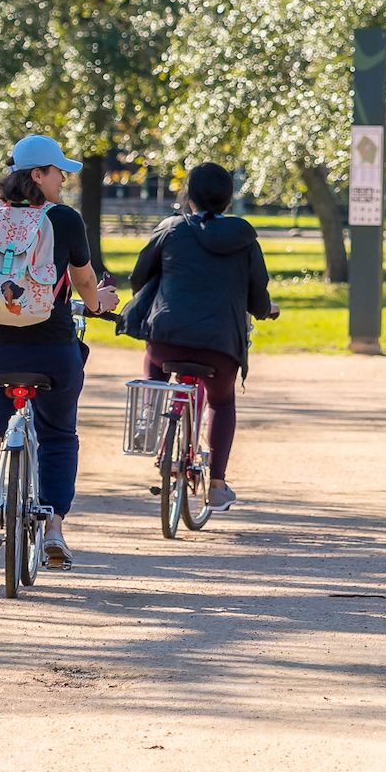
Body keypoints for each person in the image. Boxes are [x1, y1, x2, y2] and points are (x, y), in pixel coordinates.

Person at [0, 135, 117, 567]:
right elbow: (84, 284)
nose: (63, 180)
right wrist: (100, 305)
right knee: (59, 435)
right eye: (58, 172)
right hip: (52, 351)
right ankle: (55, 527)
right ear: (37, 175)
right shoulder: (64, 219)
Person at [115, 161, 276, 513]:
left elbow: (139, 276)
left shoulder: (170, 230)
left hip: (167, 339)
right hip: (219, 347)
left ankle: (151, 422)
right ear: (228, 200)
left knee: (154, 363)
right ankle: (217, 485)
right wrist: (266, 310)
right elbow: (257, 295)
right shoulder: (245, 238)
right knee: (221, 402)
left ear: (188, 197)